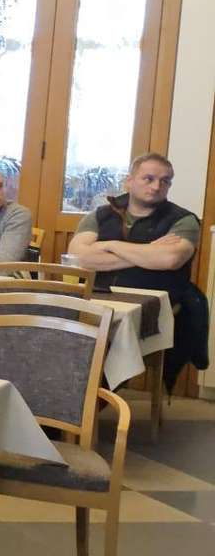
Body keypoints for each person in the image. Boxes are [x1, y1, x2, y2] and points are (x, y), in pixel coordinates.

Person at [69, 153, 207, 385]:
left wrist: (109, 246)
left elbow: (170, 259)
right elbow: (78, 257)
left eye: (165, 181)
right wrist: (147, 252)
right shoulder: (100, 215)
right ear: (129, 181)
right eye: (149, 178)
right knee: (55, 332)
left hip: (151, 301)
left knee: (107, 346)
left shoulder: (183, 220)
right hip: (96, 295)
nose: (157, 186)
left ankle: (89, 405)